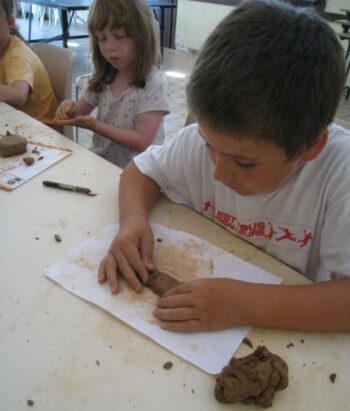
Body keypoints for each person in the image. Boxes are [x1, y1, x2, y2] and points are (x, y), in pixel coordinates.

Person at [98, 0, 350, 332]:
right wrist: (132, 221)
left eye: (244, 163)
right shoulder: (204, 144)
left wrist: (244, 304)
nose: (217, 172)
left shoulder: (339, 171)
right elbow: (140, 171)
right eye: (209, 146)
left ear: (309, 146)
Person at [55, 0, 170, 169]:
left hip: (140, 174)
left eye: (119, 37)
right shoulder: (105, 76)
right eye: (102, 38)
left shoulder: (155, 83)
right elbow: (79, 112)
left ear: (142, 37)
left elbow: (141, 141)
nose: (110, 47)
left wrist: (96, 126)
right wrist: (68, 109)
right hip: (102, 165)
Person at [0, 0, 58, 123]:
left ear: (10, 22)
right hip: (12, 121)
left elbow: (18, 94)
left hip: (41, 130)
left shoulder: (18, 56)